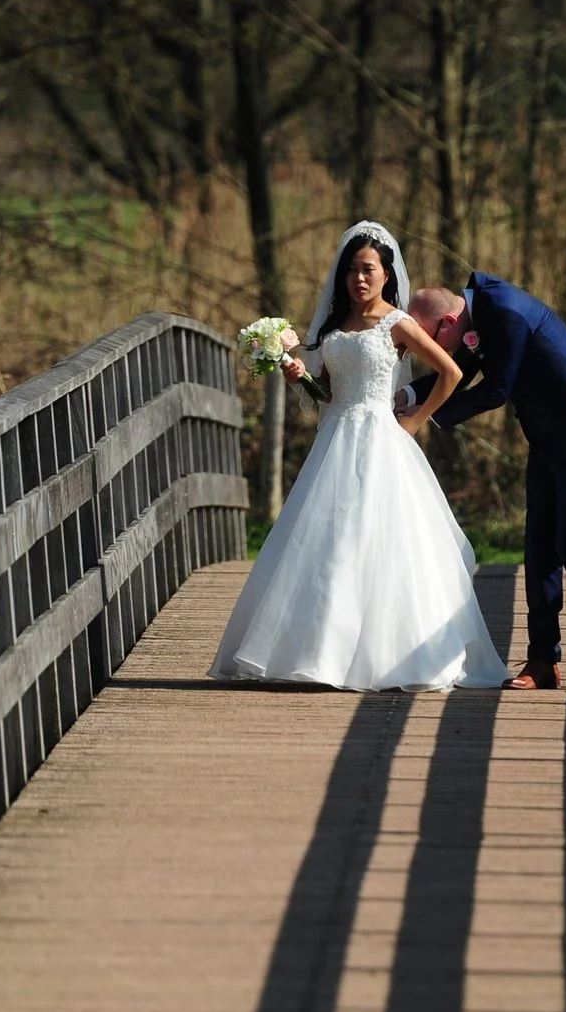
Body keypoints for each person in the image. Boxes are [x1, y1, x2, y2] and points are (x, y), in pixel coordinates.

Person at [208, 222, 508, 691]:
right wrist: (300, 376)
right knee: (329, 543)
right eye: (351, 270)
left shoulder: (397, 323)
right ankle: (318, 654)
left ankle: (386, 655)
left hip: (381, 441)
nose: (358, 279)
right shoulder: (334, 326)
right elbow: (328, 392)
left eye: (368, 270)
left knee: (381, 543)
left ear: (387, 274)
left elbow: (450, 371)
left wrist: (415, 420)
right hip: (335, 441)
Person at [400, 274, 566, 692]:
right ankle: (543, 660)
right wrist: (403, 397)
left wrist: (425, 419)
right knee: (539, 547)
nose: (429, 352)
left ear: (449, 323)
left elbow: (495, 390)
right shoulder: (476, 317)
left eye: (429, 341)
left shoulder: (504, 313)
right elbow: (459, 371)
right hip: (547, 436)